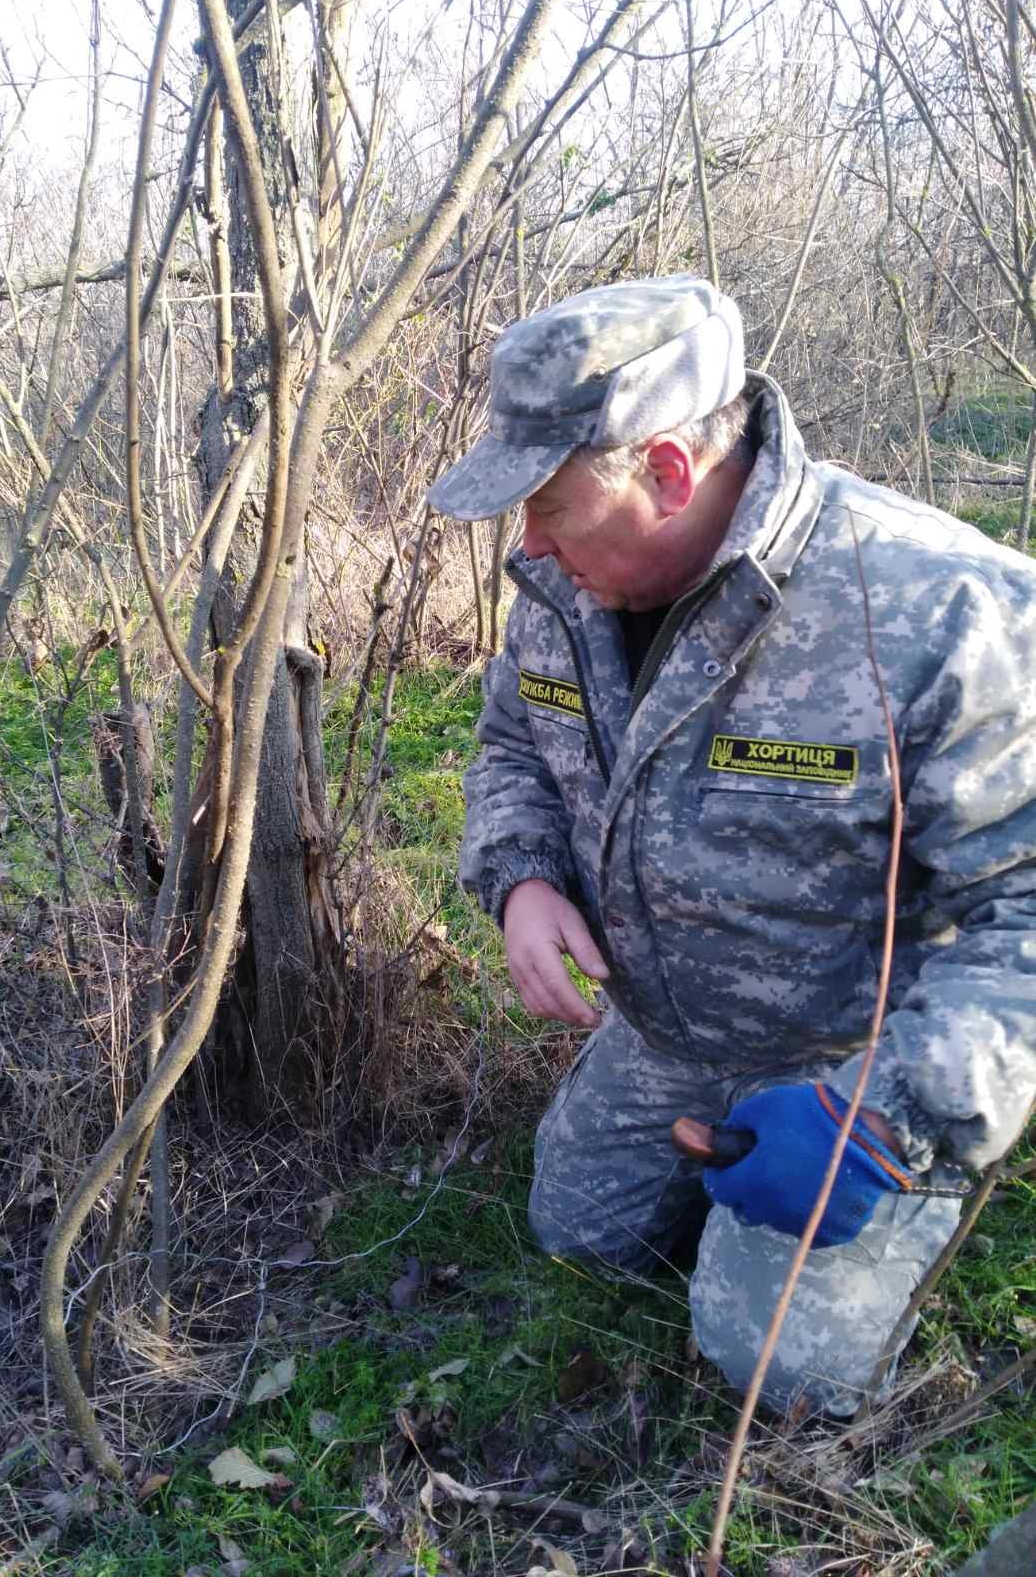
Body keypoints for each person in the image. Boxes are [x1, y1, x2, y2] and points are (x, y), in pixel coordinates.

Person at [425, 276, 1036, 1416]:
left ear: (665, 471)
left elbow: (1028, 910)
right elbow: (512, 743)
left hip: (850, 1065)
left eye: (549, 505)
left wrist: (895, 1110)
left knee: (775, 1367)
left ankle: (905, 1183)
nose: (530, 545)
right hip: (666, 1024)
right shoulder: (561, 591)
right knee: (577, 1237)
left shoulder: (946, 609)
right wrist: (521, 879)